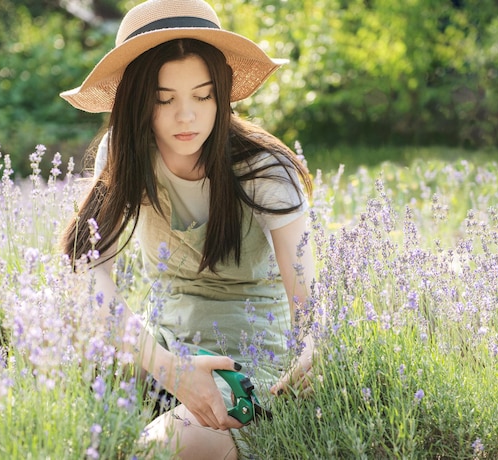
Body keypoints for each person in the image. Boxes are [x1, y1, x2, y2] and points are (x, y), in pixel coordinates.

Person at [59, 0, 316, 458]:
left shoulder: (264, 169)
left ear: (222, 94)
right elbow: (91, 276)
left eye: (203, 96)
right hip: (159, 343)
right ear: (138, 100)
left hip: (247, 350)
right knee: (58, 390)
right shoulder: (124, 153)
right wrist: (169, 368)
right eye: (164, 99)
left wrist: (316, 347)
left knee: (173, 446)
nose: (186, 116)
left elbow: (307, 300)